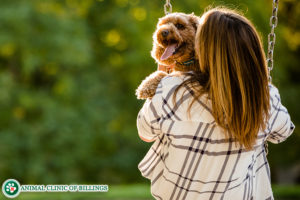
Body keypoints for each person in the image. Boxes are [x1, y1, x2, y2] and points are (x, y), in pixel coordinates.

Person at [136, 7, 295, 200]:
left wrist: (165, 77)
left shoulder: (172, 89)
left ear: (201, 47)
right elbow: (282, 133)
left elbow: (145, 133)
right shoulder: (265, 97)